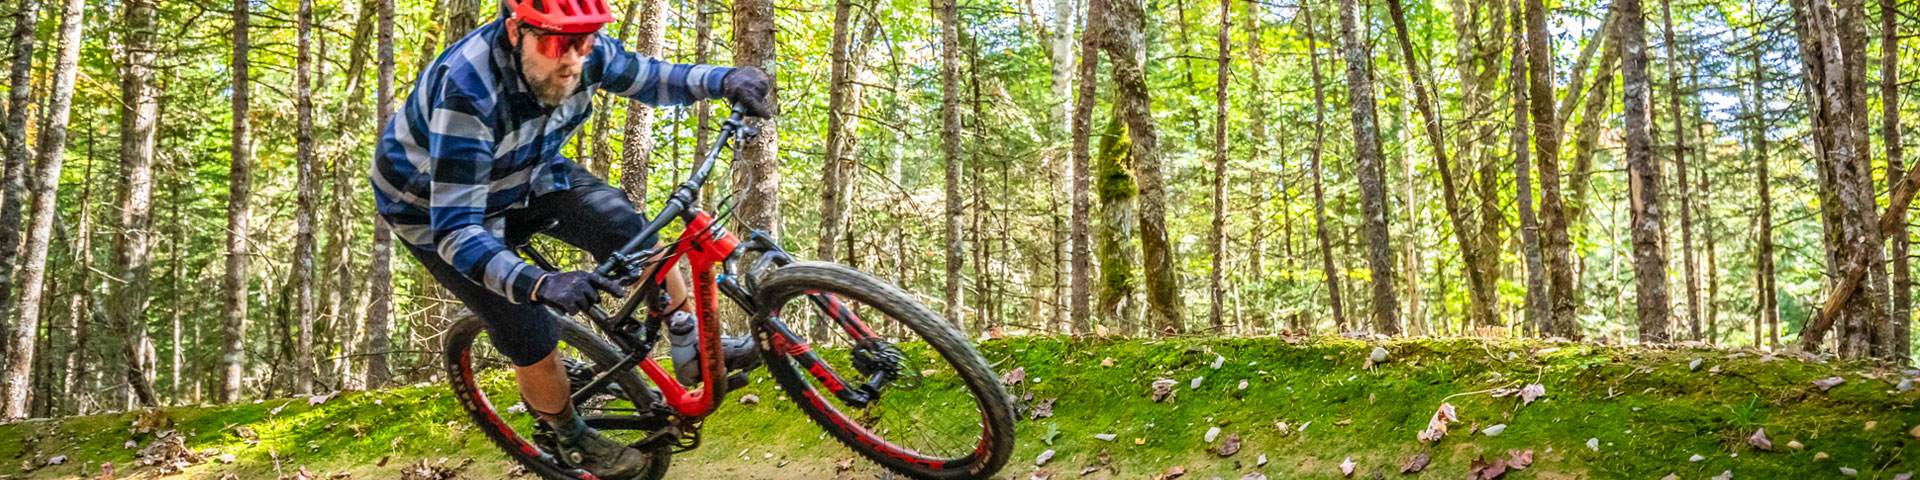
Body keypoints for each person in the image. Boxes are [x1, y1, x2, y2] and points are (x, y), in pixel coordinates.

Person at [369, 0, 771, 476]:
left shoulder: (582, 50)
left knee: (629, 228)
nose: (573, 59)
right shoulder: (468, 89)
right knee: (528, 325)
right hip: (435, 205)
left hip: (527, 172)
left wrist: (723, 79)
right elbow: (457, 229)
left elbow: (650, 75)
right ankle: (568, 436)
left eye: (584, 42)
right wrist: (539, 284)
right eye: (558, 43)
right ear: (516, 29)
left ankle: (690, 348)